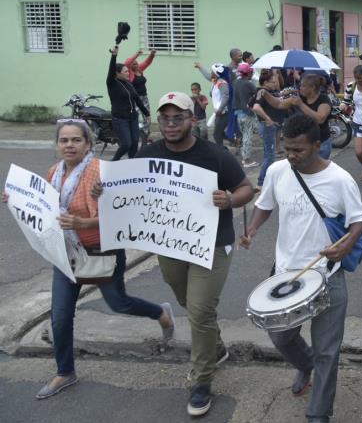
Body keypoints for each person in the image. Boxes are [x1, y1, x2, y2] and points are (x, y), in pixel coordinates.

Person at [96, 92, 254, 416]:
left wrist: (229, 199)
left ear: (191, 120)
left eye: (177, 117)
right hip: (169, 241)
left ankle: (201, 381)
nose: (170, 124)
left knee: (199, 309)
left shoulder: (215, 155)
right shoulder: (149, 152)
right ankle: (217, 347)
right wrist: (104, 190)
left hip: (212, 242)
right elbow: (131, 187)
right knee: (188, 302)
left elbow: (245, 189)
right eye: (165, 118)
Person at [2, 119, 174, 400]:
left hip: (101, 251)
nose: (69, 145)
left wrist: (82, 223)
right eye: (64, 140)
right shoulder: (53, 172)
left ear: (88, 144)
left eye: (76, 140)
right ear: (57, 145)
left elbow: (120, 214)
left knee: (119, 303)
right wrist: (18, 199)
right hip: (65, 254)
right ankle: (65, 372)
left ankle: (161, 313)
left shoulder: (101, 173)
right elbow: (44, 206)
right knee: (60, 317)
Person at [241, 114, 362, 423]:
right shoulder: (276, 171)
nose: (291, 156)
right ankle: (305, 364)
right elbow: (265, 204)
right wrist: (253, 229)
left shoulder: (340, 180)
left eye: (298, 150)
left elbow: (358, 220)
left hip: (327, 277)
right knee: (281, 337)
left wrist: (347, 245)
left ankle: (319, 413)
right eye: (286, 149)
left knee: (328, 351)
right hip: (285, 273)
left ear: (317, 145)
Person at [259, 72, 334, 159]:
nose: (300, 88)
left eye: (303, 86)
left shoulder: (324, 99)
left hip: (321, 144)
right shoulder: (300, 98)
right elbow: (279, 104)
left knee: (316, 171)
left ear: (312, 88)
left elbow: (320, 119)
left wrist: (301, 105)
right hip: (303, 144)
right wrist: (265, 93)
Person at [107, 46, 151, 160]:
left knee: (135, 143)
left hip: (133, 118)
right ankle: (113, 163)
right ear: (117, 73)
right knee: (126, 144)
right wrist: (114, 56)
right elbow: (111, 69)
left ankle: (132, 166)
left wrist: (147, 113)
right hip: (120, 119)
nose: (128, 73)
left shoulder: (129, 84)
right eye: (126, 71)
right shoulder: (112, 83)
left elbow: (137, 99)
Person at [253, 71, 288, 188]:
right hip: (267, 127)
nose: (275, 84)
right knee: (270, 156)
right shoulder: (262, 92)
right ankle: (261, 182)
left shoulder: (269, 92)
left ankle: (265, 180)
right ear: (265, 82)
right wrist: (267, 119)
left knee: (269, 155)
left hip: (271, 127)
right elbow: (256, 107)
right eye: (272, 82)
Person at [233, 62, 259, 168]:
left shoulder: (236, 82)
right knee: (247, 136)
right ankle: (246, 160)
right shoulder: (248, 84)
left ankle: (245, 157)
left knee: (245, 135)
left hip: (239, 113)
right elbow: (257, 94)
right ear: (249, 73)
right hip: (247, 112)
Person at [123, 48, 157, 122]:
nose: (136, 65)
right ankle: (137, 131)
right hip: (135, 98)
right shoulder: (130, 72)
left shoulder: (139, 70)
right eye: (134, 64)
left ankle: (146, 132)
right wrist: (137, 54)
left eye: (137, 63)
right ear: (130, 66)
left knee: (147, 115)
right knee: (136, 116)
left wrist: (152, 54)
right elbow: (126, 63)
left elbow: (147, 62)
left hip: (144, 97)